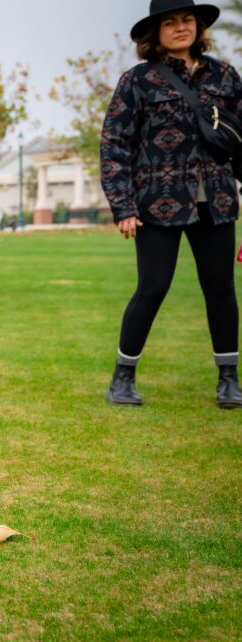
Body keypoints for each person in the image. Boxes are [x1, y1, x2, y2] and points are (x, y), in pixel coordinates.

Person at [100, 0, 242, 408]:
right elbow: (114, 145)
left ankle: (228, 380)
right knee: (153, 287)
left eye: (187, 20)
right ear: (155, 32)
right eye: (170, 22)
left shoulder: (226, 77)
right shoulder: (137, 81)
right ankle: (123, 378)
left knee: (220, 288)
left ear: (198, 26)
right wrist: (123, 205)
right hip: (155, 204)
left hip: (215, 202)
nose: (181, 27)